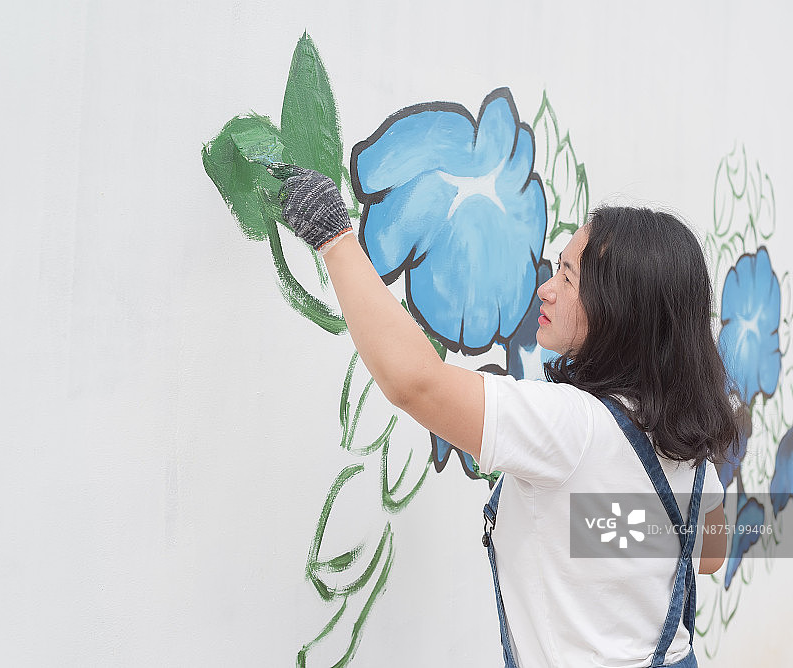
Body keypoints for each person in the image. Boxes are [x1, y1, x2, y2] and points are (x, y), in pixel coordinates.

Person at [269, 165, 738, 668]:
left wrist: (334, 238)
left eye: (568, 277)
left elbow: (416, 383)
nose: (546, 289)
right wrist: (587, 531)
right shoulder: (679, 433)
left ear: (617, 309)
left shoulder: (570, 428)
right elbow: (708, 555)